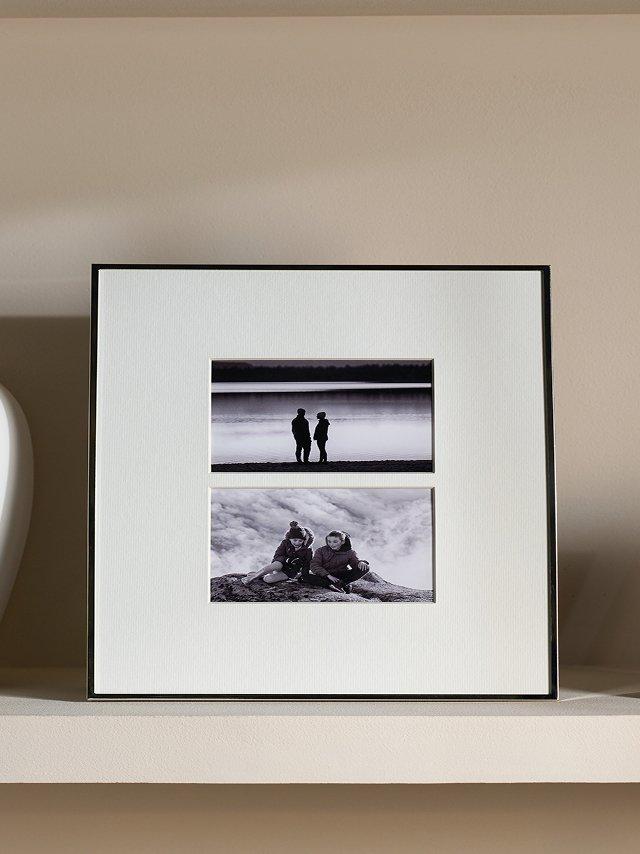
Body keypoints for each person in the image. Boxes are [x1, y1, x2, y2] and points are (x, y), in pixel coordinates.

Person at [242, 521, 314, 586]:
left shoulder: (308, 550)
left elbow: (307, 565)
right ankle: (252, 578)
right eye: (295, 540)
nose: (297, 543)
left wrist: (303, 576)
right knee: (277, 563)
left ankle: (258, 575)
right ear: (290, 539)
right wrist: (287, 560)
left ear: (304, 540)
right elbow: (277, 556)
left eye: (300, 541)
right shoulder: (285, 543)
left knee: (268, 579)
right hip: (280, 565)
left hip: (291, 572)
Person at [306, 530, 370, 594]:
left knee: (365, 568)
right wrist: (327, 575)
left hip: (341, 575)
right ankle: (334, 585)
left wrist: (360, 562)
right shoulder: (321, 550)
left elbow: (355, 563)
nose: (331, 544)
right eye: (329, 541)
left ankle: (342, 584)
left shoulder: (350, 553)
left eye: (335, 542)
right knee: (306, 577)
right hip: (325, 575)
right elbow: (314, 565)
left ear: (342, 542)